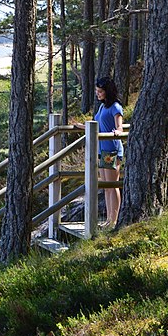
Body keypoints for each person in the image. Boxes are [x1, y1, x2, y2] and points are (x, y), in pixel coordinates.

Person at [75, 77, 124, 227]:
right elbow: (97, 126)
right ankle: (109, 220)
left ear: (107, 92)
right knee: (106, 186)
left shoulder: (115, 107)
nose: (98, 94)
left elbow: (119, 126)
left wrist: (117, 131)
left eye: (100, 91)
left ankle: (114, 219)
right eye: (97, 91)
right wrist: (81, 126)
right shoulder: (102, 107)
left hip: (112, 150)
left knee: (112, 185)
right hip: (102, 150)